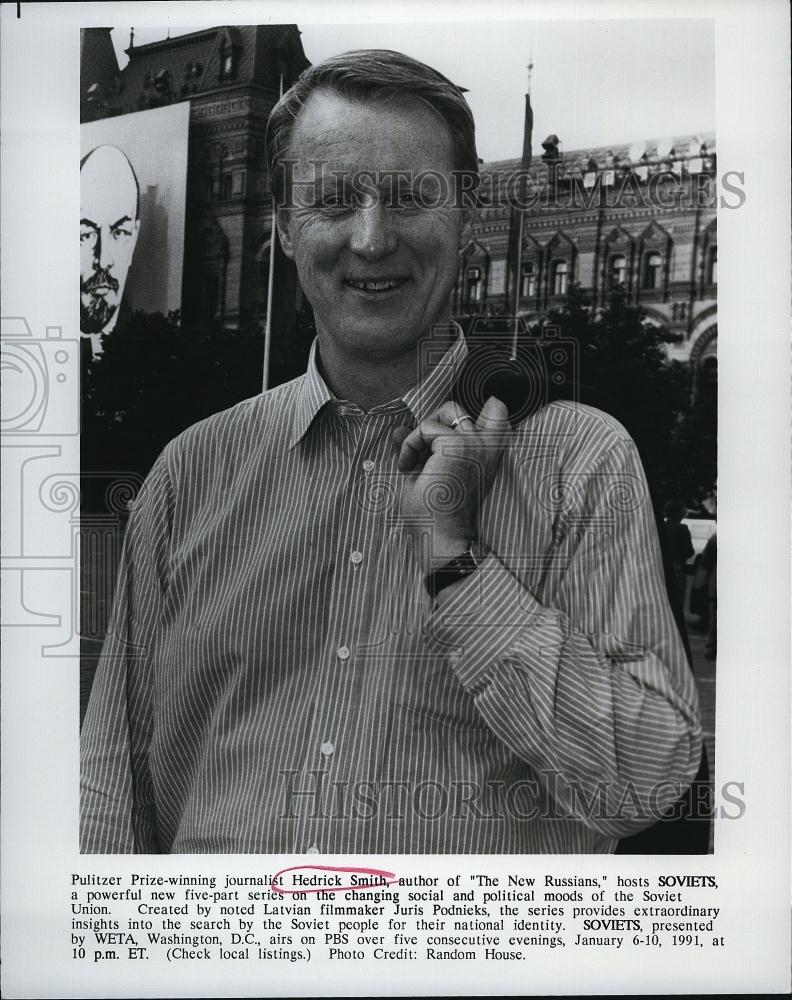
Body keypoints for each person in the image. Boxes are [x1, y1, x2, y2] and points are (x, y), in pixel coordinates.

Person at [81, 49, 702, 854]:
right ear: (282, 223)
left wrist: (456, 561)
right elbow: (109, 786)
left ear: (468, 213)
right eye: (333, 200)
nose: (371, 240)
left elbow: (647, 783)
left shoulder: (582, 464)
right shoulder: (188, 473)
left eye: (412, 196)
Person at [80, 144, 140, 360]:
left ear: (133, 238)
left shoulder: (145, 346)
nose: (103, 260)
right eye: (86, 235)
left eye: (120, 233)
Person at [663, 499, 694, 608]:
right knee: (677, 601)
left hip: (661, 567)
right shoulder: (682, 528)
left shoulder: (661, 527)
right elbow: (689, 551)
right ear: (679, 512)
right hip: (678, 568)